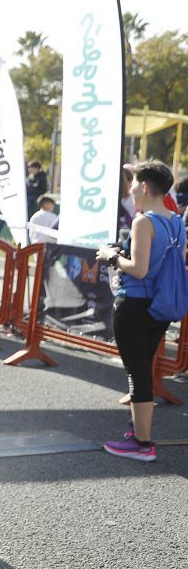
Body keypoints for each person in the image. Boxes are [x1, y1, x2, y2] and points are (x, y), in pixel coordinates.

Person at [95, 160, 180, 462]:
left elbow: (139, 269)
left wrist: (111, 256)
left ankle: (143, 444)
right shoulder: (175, 221)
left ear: (144, 187)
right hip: (159, 306)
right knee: (142, 367)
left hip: (134, 303)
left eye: (132, 183)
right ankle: (138, 431)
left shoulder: (143, 222)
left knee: (137, 372)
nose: (129, 190)